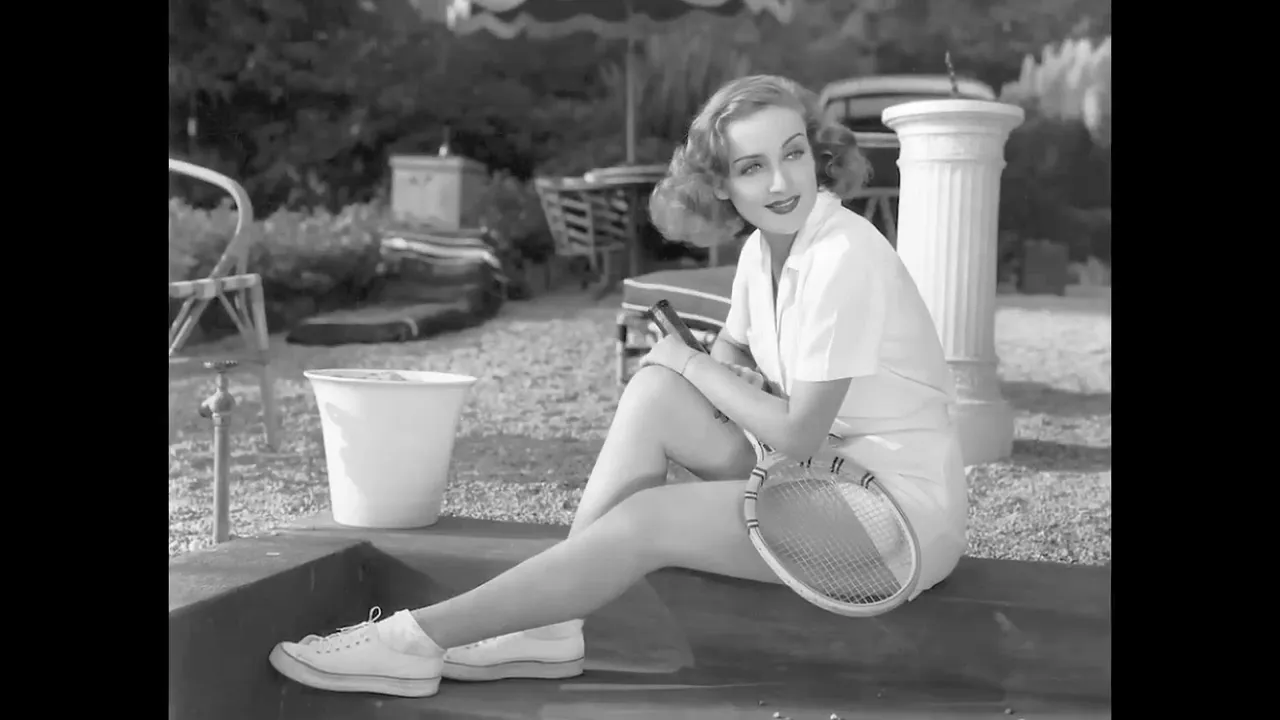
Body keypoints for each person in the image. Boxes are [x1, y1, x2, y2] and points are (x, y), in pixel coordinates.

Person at [268, 74, 968, 699]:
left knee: (645, 519)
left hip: (886, 516)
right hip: (814, 479)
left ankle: (412, 640)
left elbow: (795, 431)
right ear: (722, 185)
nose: (782, 182)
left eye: (793, 154)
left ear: (815, 153)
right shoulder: (764, 252)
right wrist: (684, 371)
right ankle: (552, 624)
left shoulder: (841, 254)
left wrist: (688, 364)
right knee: (656, 393)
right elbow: (717, 372)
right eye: (753, 167)